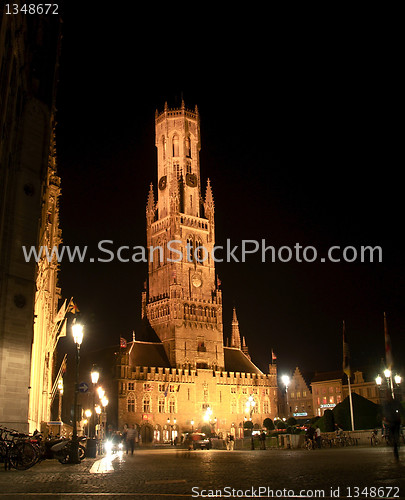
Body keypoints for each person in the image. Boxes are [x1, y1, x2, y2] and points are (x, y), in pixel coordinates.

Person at [383, 394, 402, 461]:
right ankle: (395, 444)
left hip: (395, 422)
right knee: (393, 437)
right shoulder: (387, 404)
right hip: (391, 423)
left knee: (395, 437)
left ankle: (395, 445)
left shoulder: (390, 404)